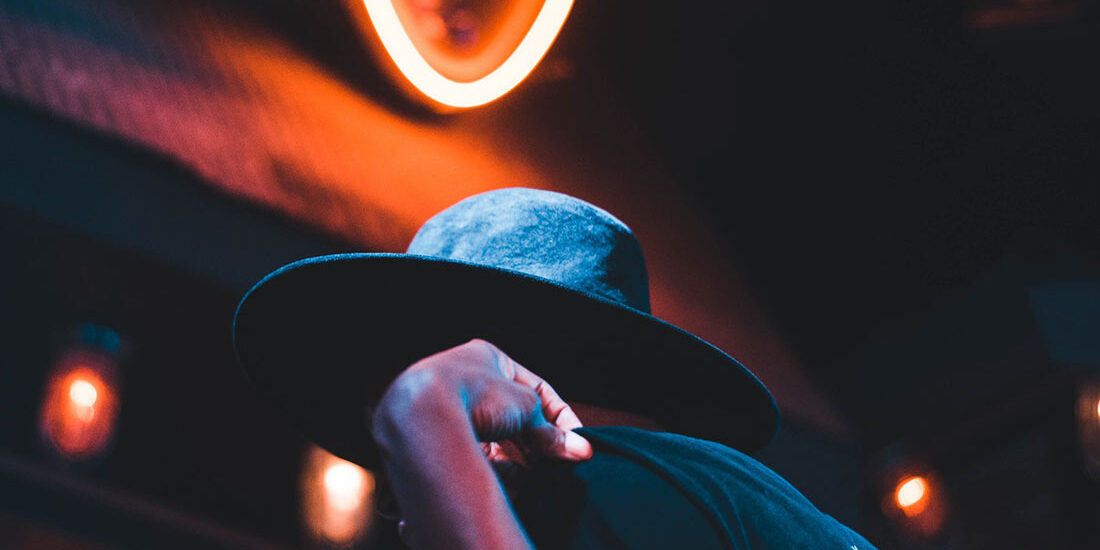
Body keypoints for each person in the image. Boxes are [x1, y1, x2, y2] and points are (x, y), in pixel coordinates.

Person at [233, 188, 877, 549]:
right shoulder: (727, 500)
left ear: (490, 416)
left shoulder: (578, 500)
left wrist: (422, 414)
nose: (405, 517)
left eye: (412, 477)